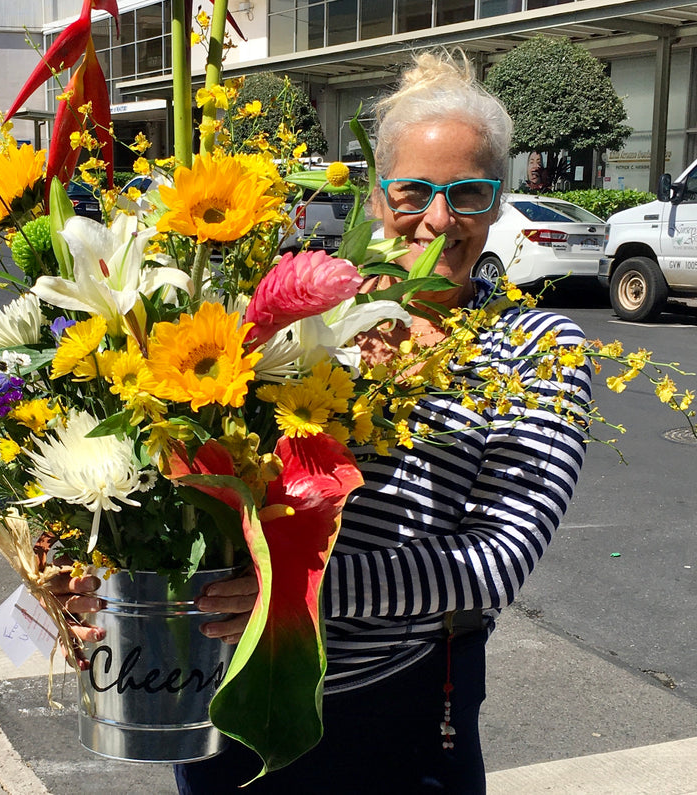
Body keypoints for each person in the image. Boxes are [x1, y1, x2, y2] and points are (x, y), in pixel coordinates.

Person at [173, 51, 591, 793]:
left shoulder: (537, 351)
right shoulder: (292, 315)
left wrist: (296, 594)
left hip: (398, 720)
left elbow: (495, 561)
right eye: (413, 191)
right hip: (226, 702)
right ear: (374, 197)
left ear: (498, 202)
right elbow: (179, 485)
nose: (438, 218)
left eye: (468, 192)